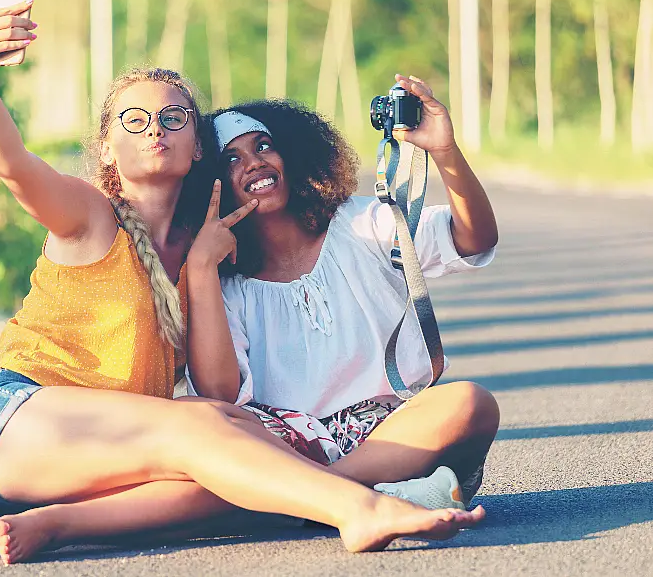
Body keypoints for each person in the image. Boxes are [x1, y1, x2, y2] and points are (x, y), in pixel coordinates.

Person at [0, 0, 484, 565]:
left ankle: (58, 525)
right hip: (5, 425)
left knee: (240, 456)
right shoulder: (90, 216)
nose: (156, 128)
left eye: (173, 118)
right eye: (135, 120)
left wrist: (202, 265)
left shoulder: (208, 253)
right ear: (108, 147)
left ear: (197, 144)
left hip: (82, 467)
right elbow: (13, 165)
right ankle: (359, 508)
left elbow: (222, 391)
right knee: (201, 425)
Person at [187, 76, 500, 505]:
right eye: (231, 159)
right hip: (281, 445)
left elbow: (474, 239)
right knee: (195, 445)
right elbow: (218, 398)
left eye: (263, 146)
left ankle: (309, 499)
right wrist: (201, 268)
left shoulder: (361, 225)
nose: (253, 163)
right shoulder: (221, 280)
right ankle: (368, 495)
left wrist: (444, 152)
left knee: (470, 403)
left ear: (293, 154)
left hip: (390, 434)